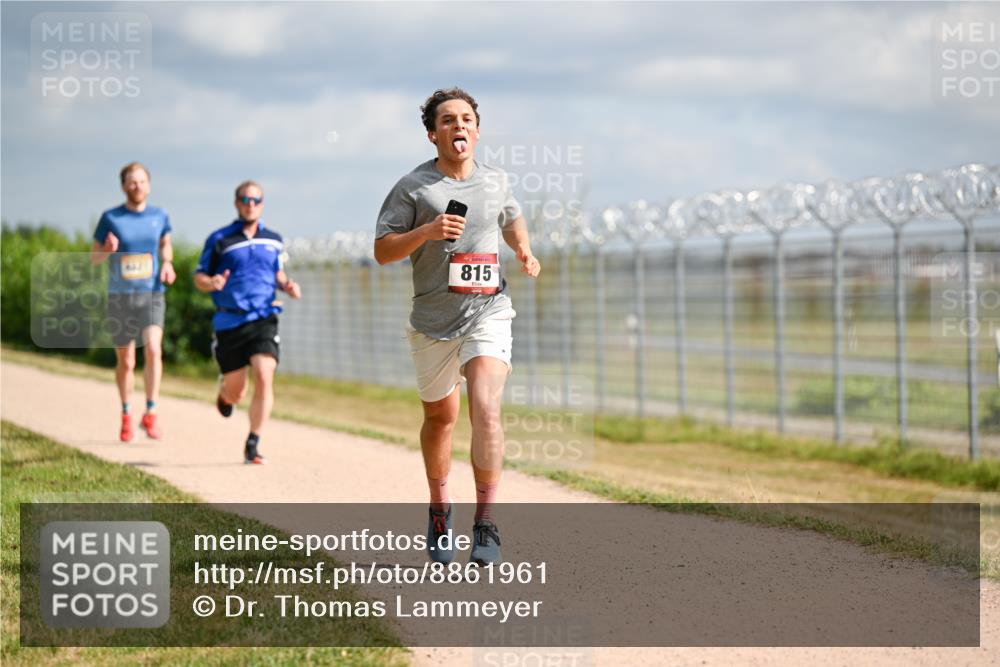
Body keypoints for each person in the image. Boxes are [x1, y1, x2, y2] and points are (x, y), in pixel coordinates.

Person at [374, 88, 541, 565]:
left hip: (488, 308)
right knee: (441, 419)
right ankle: (439, 508)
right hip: (432, 321)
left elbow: (512, 219)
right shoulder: (413, 188)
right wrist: (425, 232)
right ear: (433, 134)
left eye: (466, 118)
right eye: (447, 120)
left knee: (485, 407)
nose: (458, 126)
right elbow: (382, 251)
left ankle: (486, 522)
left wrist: (524, 250)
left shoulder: (495, 180)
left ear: (477, 129)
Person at [194, 180, 301, 464]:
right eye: (245, 199)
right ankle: (225, 395)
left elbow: (277, 274)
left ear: (262, 203)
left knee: (265, 374)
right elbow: (199, 277)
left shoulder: (274, 239)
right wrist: (212, 282)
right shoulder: (220, 240)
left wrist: (287, 285)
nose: (250, 204)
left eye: (255, 200)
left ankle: (253, 442)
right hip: (230, 321)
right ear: (236, 203)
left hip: (264, 317)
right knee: (237, 390)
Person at [91, 161, 175, 442]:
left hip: (152, 293)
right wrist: (107, 249)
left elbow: (165, 243)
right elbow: (94, 258)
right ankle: (126, 414)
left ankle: (150, 413)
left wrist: (168, 263)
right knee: (126, 361)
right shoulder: (110, 218)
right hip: (120, 297)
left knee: (153, 349)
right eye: (131, 181)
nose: (136, 186)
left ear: (148, 185)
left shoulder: (160, 216)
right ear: (124, 186)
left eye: (141, 181)